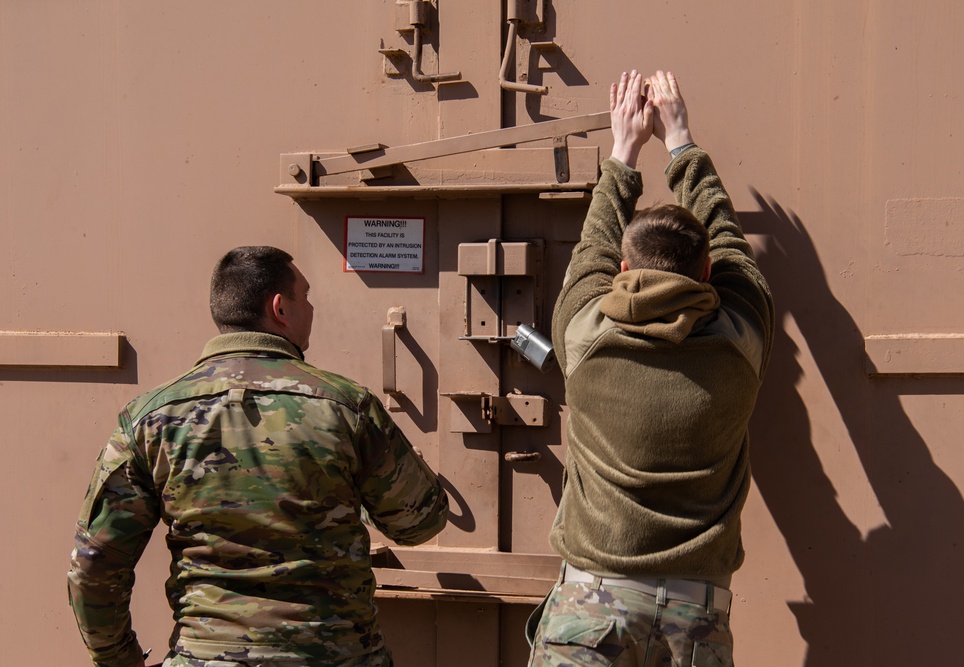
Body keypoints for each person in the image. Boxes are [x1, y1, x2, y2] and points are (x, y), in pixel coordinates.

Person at [68, 246, 449, 667]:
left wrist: (120, 660)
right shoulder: (347, 407)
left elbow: (95, 565)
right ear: (279, 308)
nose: (312, 307)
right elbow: (419, 523)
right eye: (305, 296)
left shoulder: (149, 418)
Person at [526, 70, 775, 666]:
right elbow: (734, 250)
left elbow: (592, 245)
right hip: (697, 619)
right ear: (709, 273)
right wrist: (681, 140)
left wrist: (624, 149)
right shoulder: (740, 342)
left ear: (622, 271)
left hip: (591, 608)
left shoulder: (586, 338)